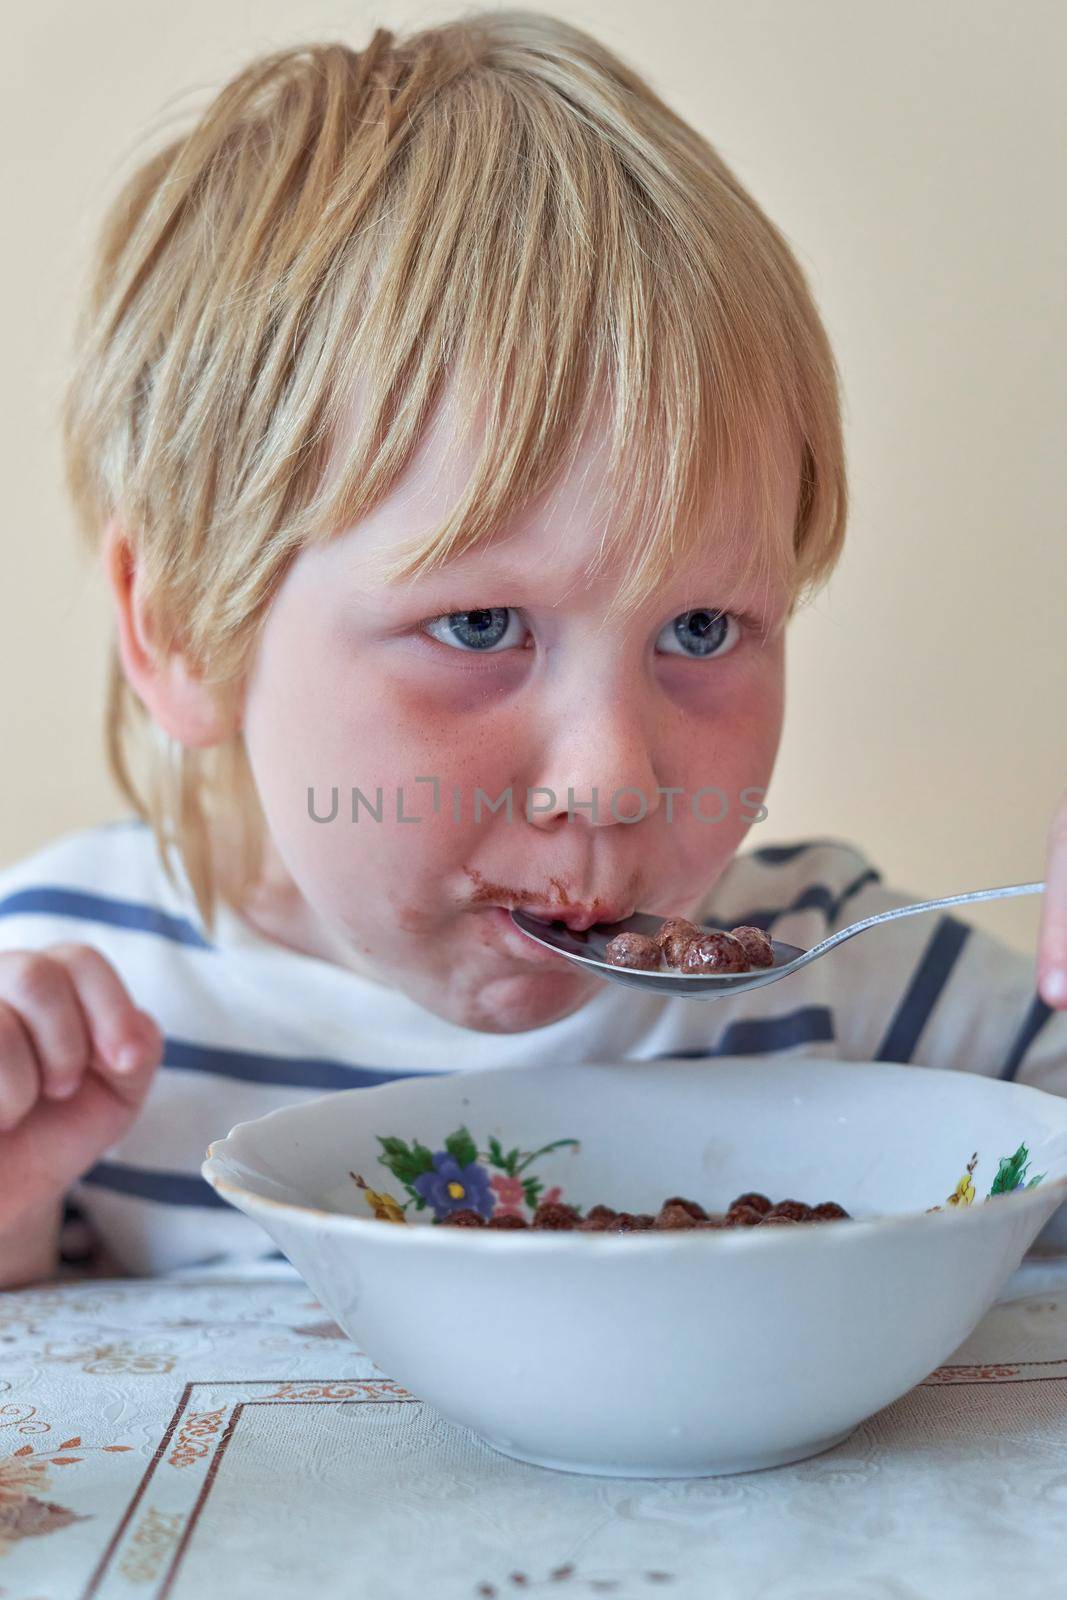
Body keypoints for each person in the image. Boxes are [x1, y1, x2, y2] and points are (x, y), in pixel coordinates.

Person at [1, 11, 1064, 1286]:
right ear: (181, 627)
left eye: (700, 627)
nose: (611, 777)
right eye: (479, 626)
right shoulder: (79, 1003)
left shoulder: (864, 1002)